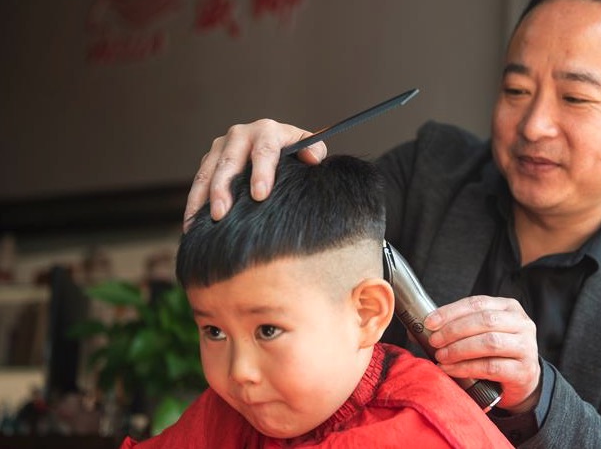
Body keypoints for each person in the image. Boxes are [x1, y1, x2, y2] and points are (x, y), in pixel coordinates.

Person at [184, 0, 601, 448]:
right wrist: (271, 177)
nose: (535, 124)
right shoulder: (431, 170)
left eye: (575, 98)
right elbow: (296, 259)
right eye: (516, 91)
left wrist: (539, 397)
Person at [123, 156, 513, 448]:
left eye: (268, 330)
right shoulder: (228, 412)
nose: (240, 372)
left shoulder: (419, 434)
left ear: (366, 314)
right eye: (213, 331)